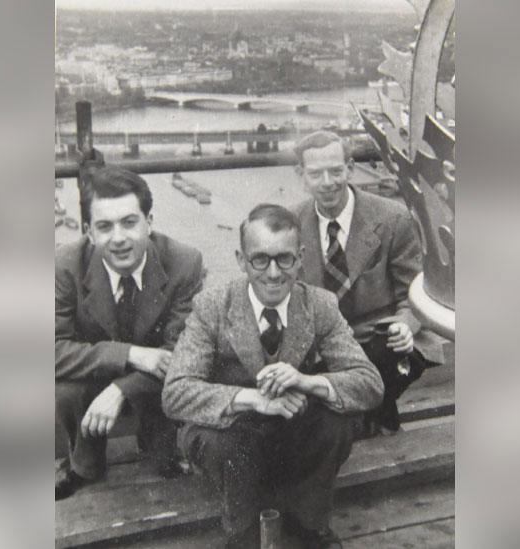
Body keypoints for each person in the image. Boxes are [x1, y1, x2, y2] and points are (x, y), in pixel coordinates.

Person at [162, 204, 383, 549]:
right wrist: (252, 399)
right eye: (260, 260)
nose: (274, 273)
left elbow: (370, 384)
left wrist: (306, 381)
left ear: (301, 258)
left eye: (285, 259)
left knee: (335, 423)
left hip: (291, 432)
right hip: (235, 436)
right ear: (240, 259)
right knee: (219, 441)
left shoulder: (320, 305)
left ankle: (310, 524)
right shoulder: (212, 306)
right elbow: (175, 392)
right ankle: (243, 530)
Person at [55, 167, 204, 500]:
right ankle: (83, 465)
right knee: (63, 389)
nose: (118, 238)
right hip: (95, 374)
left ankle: (163, 453)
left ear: (149, 222)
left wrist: (122, 389)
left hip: (154, 381)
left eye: (129, 222)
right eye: (104, 226)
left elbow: (183, 352)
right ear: (88, 232)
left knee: (180, 373)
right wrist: (130, 354)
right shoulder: (64, 266)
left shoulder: (184, 262)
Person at [291, 130, 446, 434]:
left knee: (380, 359)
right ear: (301, 175)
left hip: (382, 338)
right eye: (316, 173)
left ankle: (363, 418)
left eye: (336, 171)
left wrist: (405, 325)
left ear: (350, 168)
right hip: (327, 342)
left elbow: (417, 294)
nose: (327, 182)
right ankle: (373, 419)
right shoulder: (291, 223)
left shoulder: (392, 218)